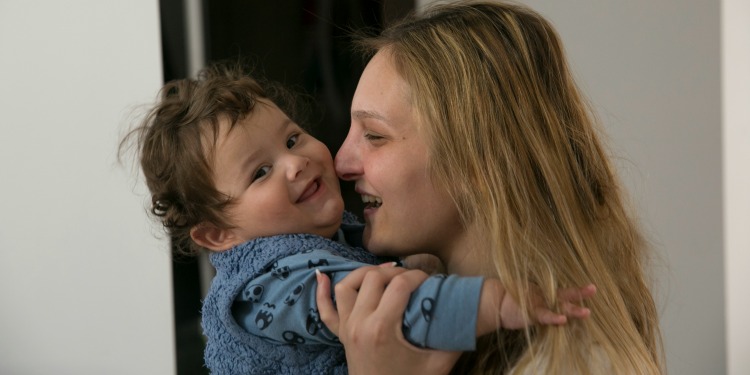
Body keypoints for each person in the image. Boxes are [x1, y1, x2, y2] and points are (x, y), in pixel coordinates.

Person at [119, 62, 594, 374]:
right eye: (260, 172)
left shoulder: (335, 238)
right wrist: (505, 303)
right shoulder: (271, 283)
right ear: (218, 234)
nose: (295, 163)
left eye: (291, 139)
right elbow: (388, 306)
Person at [317, 1, 664, 374]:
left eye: (374, 135)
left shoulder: (575, 365)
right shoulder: (410, 325)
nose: (340, 163)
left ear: (477, 161)